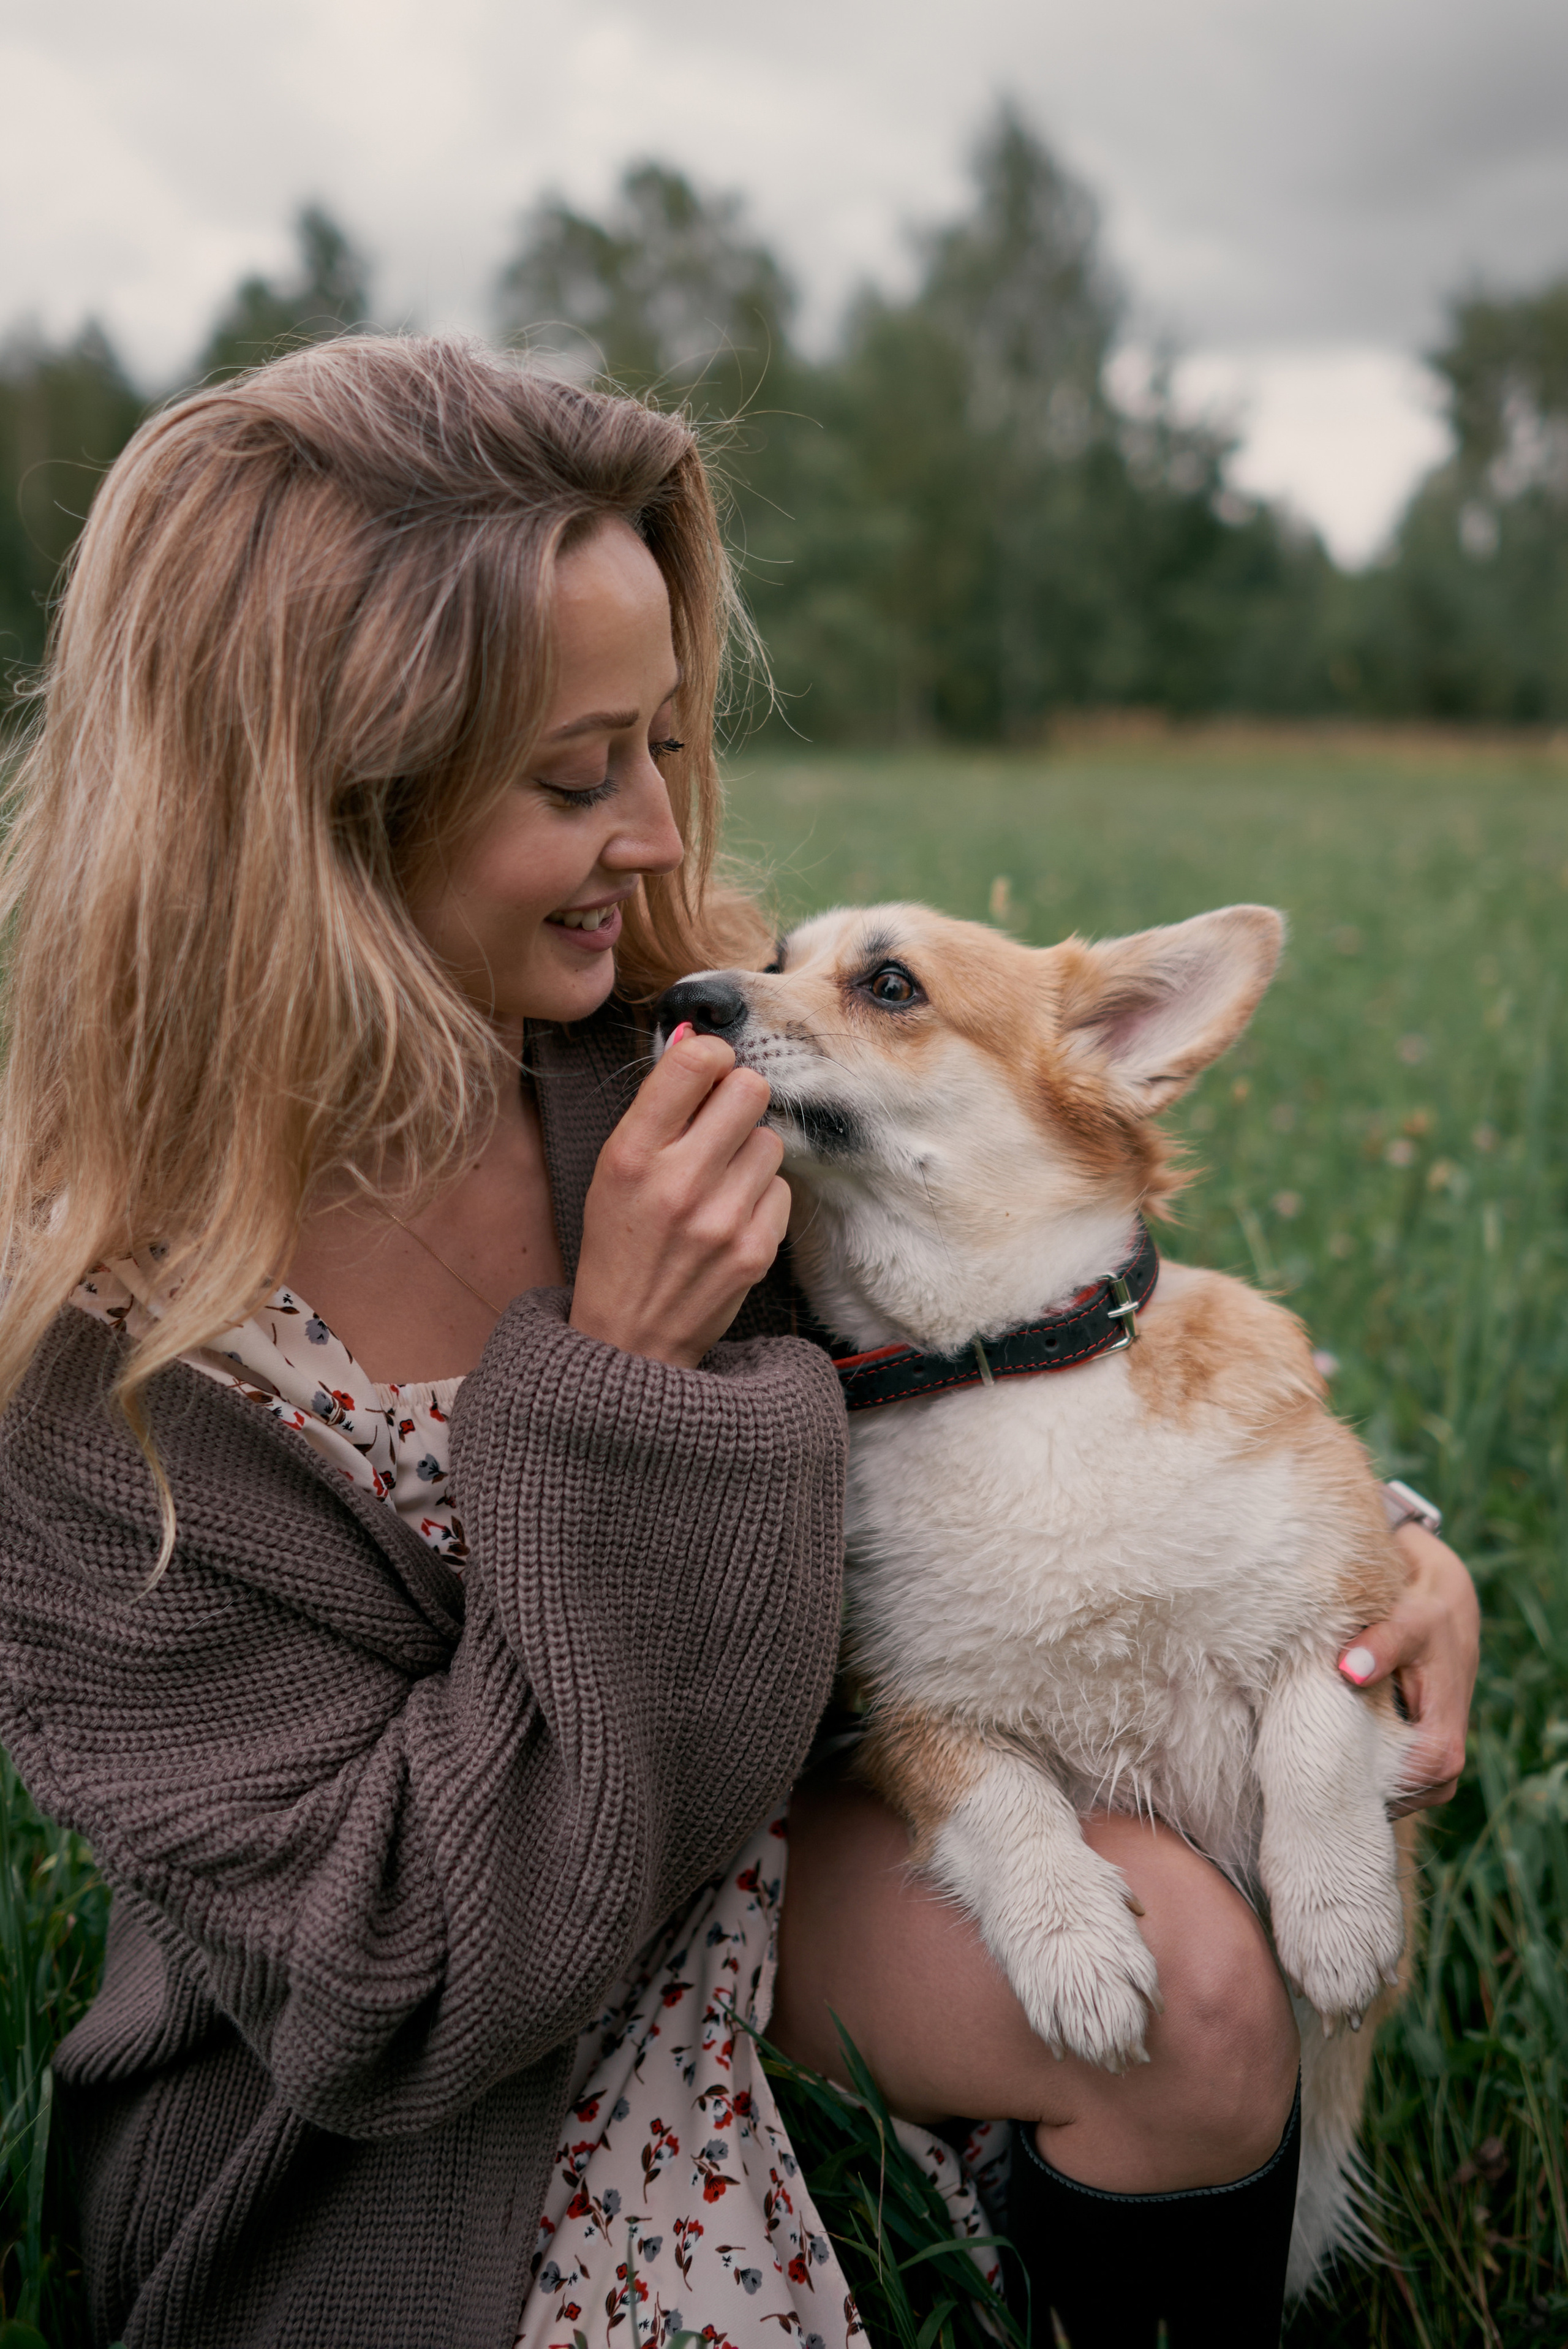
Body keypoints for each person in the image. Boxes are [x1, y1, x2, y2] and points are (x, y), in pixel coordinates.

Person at [0, 335, 1478, 2349]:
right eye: (572, 772)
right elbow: (409, 1979)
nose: (653, 840)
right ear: (325, 799)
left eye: (664, 745)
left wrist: (1380, 1558)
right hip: (407, 2071)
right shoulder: (93, 1374)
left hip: (756, 1875)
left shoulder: (670, 1065)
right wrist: (610, 1378)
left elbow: (1029, 1350)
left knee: (1204, 1986)